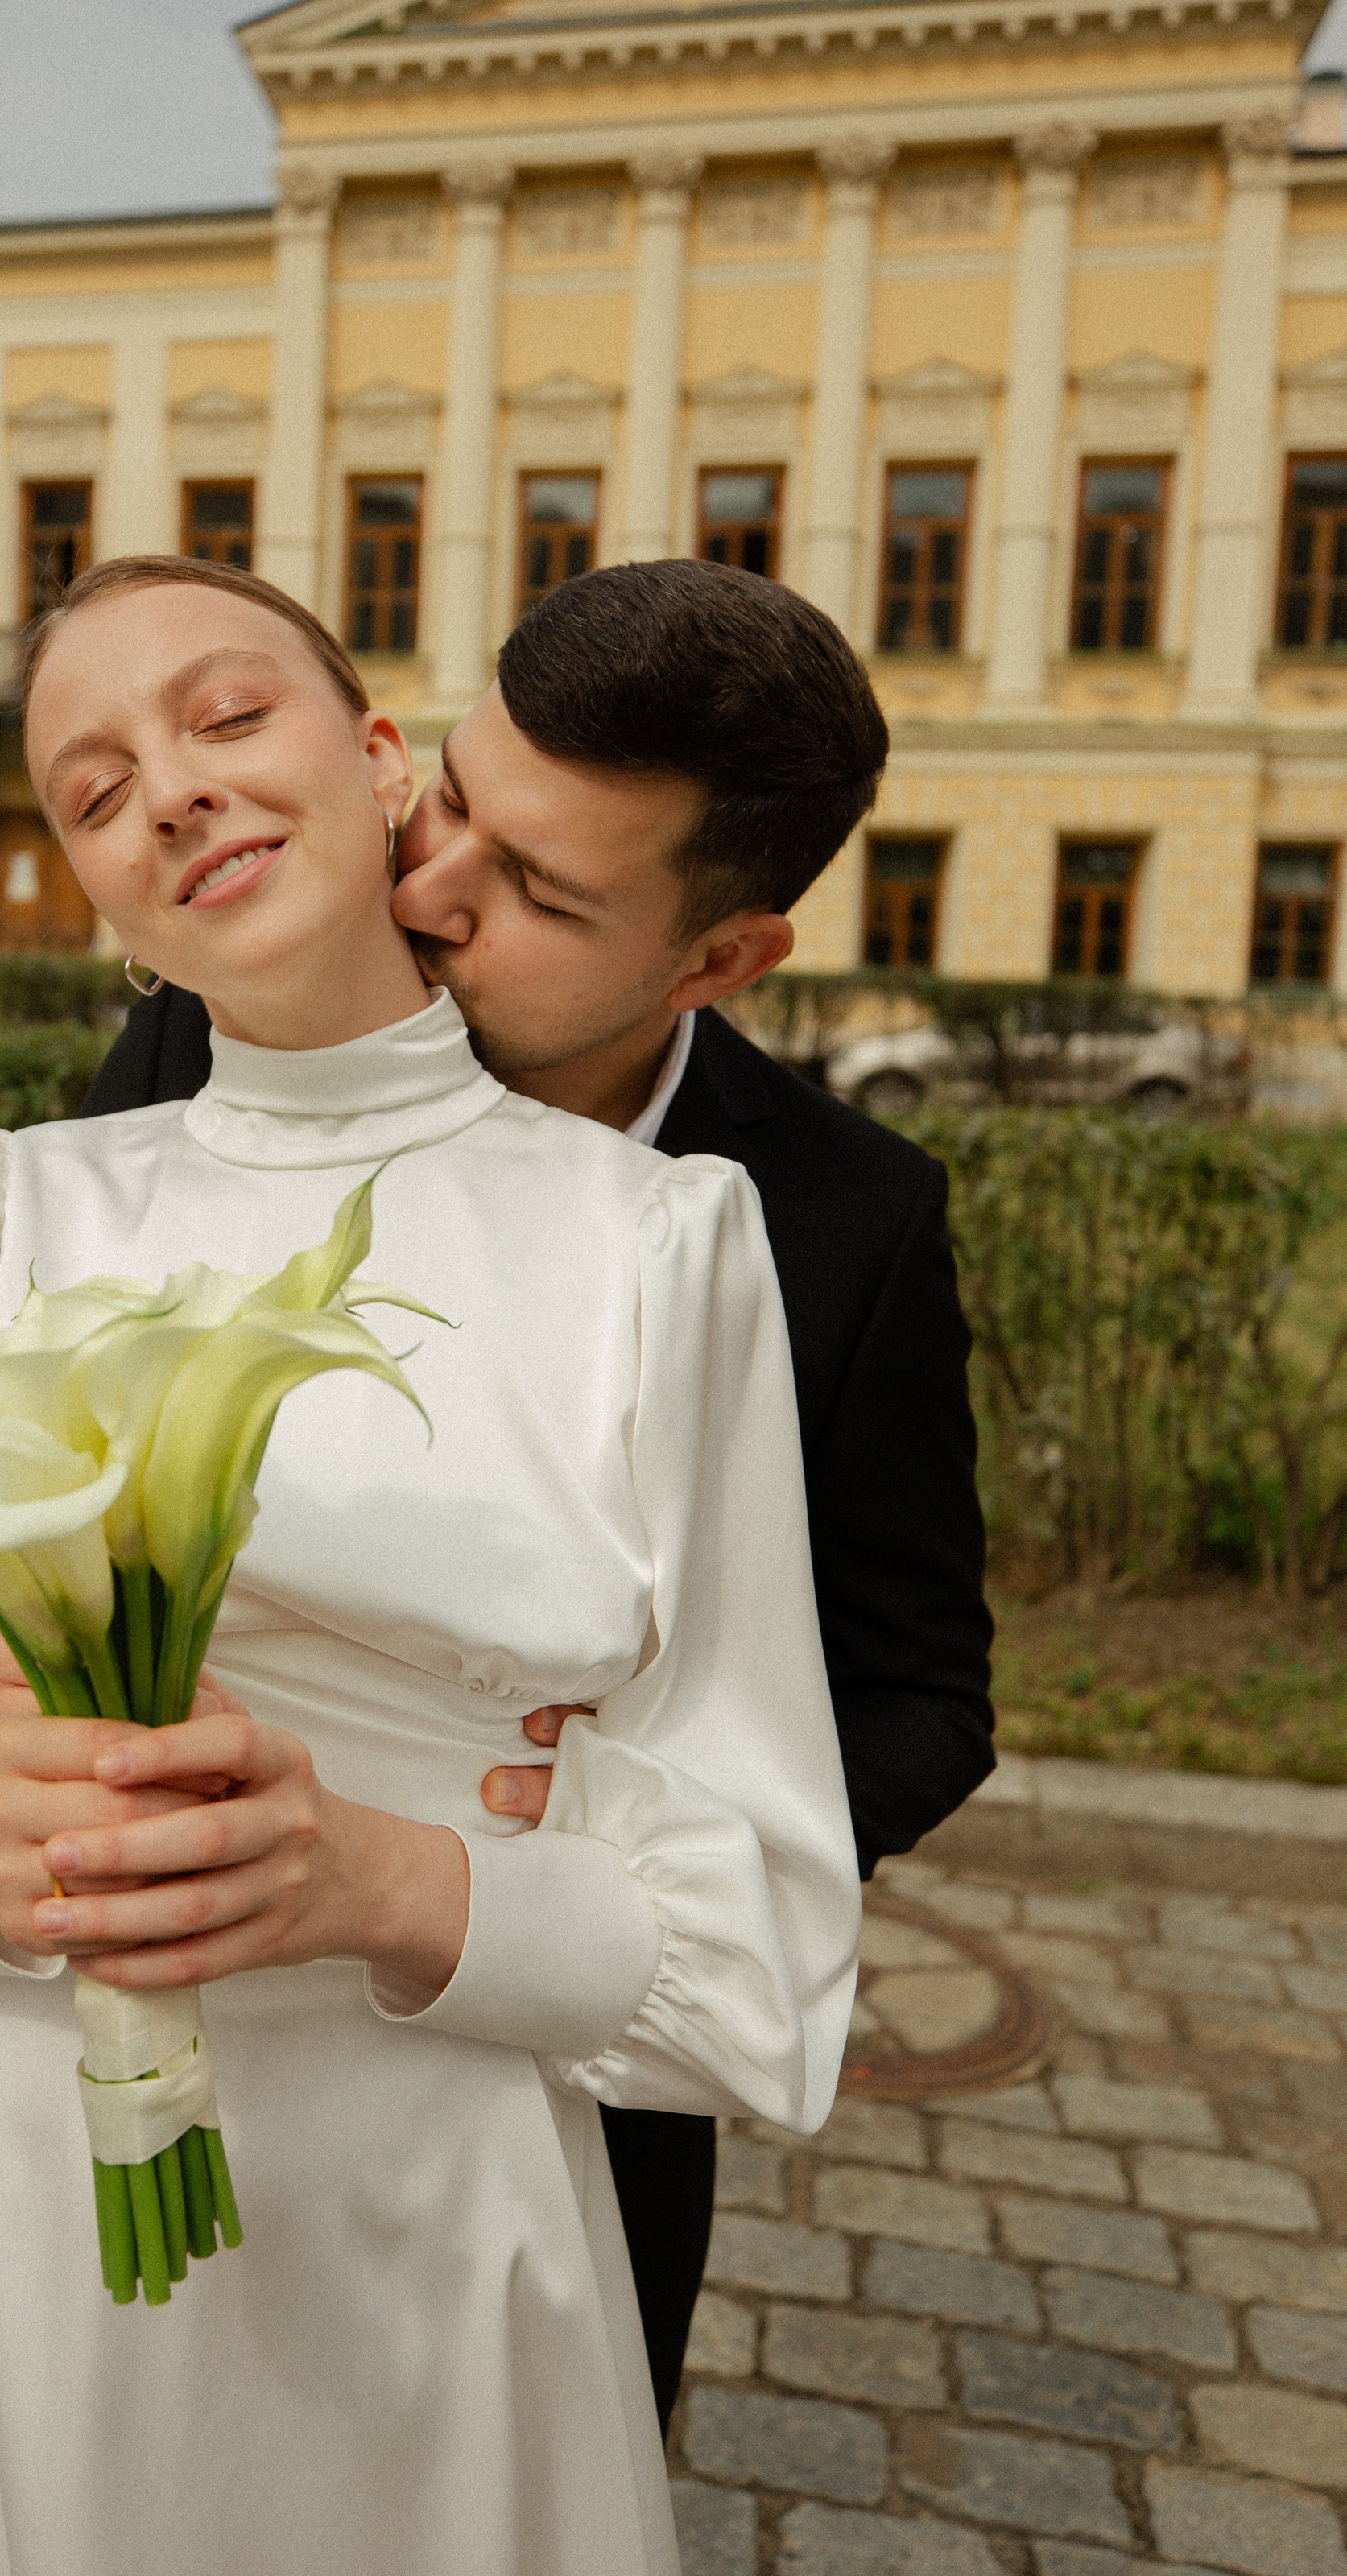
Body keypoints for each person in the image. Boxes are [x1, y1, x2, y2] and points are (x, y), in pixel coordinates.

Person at [0, 556, 860, 2576]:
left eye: (223, 719)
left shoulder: (662, 1250)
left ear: (386, 768)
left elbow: (757, 1965)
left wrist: (375, 1877)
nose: (169, 795)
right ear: (97, 901)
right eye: (95, 792)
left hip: (421, 2227)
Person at [80, 555, 996, 2425]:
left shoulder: (840, 1225)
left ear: (718, 958)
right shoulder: (201, 1032)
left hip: (553, 2079)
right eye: (450, 802)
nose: (422, 888)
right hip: (190, 2032)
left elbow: (922, 1695)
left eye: (534, 892)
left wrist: (604, 1821)